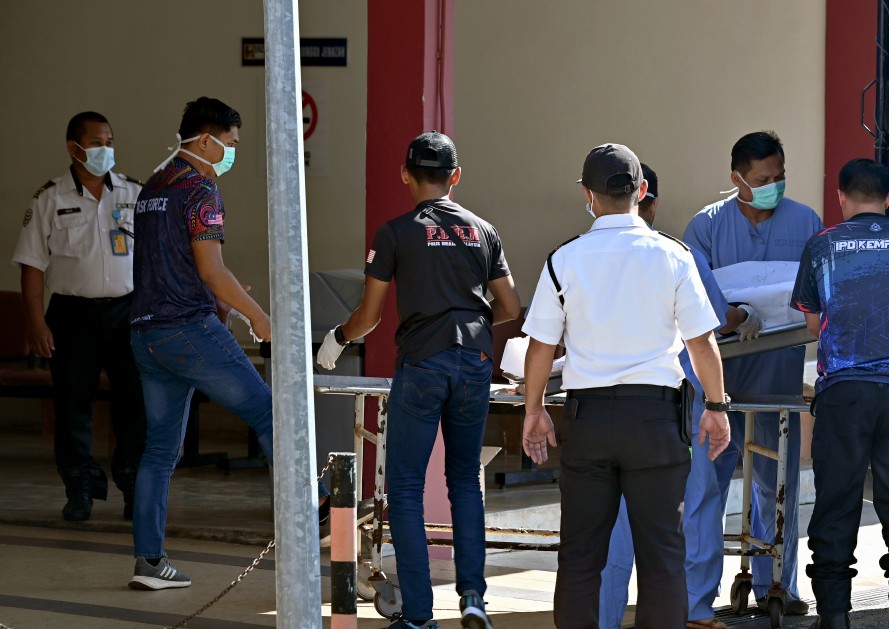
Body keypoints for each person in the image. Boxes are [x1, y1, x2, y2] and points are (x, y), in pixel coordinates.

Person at [522, 144, 732, 629]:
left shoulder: (564, 259)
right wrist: (716, 407)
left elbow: (540, 348)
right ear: (641, 192)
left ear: (588, 196)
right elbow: (702, 346)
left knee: (579, 556)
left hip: (587, 421)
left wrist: (534, 409)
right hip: (657, 423)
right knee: (662, 558)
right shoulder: (675, 256)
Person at [316, 131, 521, 629]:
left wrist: (337, 338)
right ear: (456, 177)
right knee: (464, 484)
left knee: (405, 489)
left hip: (423, 364)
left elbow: (369, 317)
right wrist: (467, 325)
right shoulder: (483, 232)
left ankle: (419, 617)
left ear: (406, 174)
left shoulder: (394, 233)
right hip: (474, 362)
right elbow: (511, 307)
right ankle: (473, 599)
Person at [596, 164, 754, 629]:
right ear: (651, 199)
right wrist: (742, 318)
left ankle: (606, 617)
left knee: (617, 515)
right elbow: (710, 328)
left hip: (611, 407)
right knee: (699, 502)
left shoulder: (583, 256)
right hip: (684, 402)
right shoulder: (679, 254)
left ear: (593, 197)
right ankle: (696, 610)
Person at [127, 97, 274, 591]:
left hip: (146, 334)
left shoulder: (153, 185)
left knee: (160, 451)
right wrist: (259, 317)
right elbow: (211, 269)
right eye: (230, 144)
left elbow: (170, 265)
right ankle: (311, 518)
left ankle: (150, 563)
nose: (231, 153)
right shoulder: (200, 189)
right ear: (207, 140)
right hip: (187, 329)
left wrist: (223, 300)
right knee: (270, 414)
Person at [791, 159, 889, 629]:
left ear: (841, 196)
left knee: (836, 504)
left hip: (843, 392)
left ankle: (834, 615)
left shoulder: (821, 246)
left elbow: (813, 320)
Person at [682, 130, 824, 616]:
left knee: (774, 480)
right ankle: (697, 599)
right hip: (715, 374)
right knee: (706, 486)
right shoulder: (705, 226)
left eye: (780, 176)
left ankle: (777, 587)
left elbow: (817, 294)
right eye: (763, 179)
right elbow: (692, 298)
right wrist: (736, 314)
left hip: (775, 373)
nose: (774, 186)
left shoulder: (806, 222)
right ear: (736, 179)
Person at [12, 111, 146, 522]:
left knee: (134, 403)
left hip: (128, 314)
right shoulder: (50, 199)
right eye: (95, 141)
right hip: (72, 315)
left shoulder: (133, 193)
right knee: (73, 405)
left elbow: (157, 257)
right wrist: (37, 323)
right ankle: (80, 489)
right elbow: (32, 266)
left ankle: (132, 485)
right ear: (73, 148)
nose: (104, 149)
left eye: (109, 140)